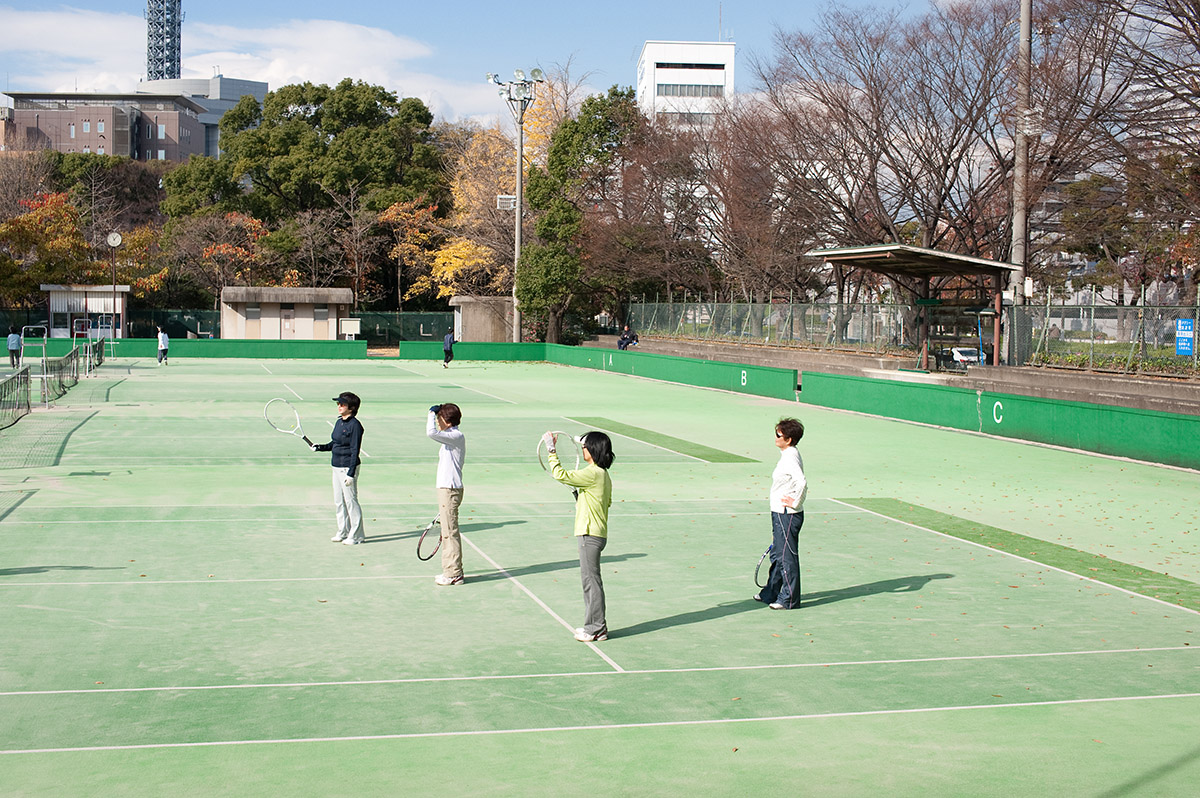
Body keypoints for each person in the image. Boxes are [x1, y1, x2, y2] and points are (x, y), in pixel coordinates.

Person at [542, 430, 615, 642]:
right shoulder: (603, 475)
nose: (582, 450)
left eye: (584, 447)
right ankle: (595, 625)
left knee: (590, 582)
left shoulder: (592, 473)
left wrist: (551, 450)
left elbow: (560, 474)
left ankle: (596, 628)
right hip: (597, 534)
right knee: (591, 581)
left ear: (593, 450)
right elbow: (604, 502)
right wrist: (582, 497)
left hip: (589, 534)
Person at [755, 417, 808, 609]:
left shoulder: (791, 457)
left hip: (787, 514)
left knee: (787, 556)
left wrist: (795, 501)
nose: (775, 438)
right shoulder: (786, 454)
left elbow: (802, 482)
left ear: (789, 439)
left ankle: (789, 599)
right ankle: (771, 592)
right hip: (778, 512)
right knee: (778, 554)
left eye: (779, 435)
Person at [312, 392, 365, 545]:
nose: (339, 406)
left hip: (347, 467)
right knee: (339, 501)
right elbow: (334, 444)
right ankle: (343, 531)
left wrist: (351, 473)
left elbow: (355, 450)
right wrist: (320, 447)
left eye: (342, 404)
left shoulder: (355, 425)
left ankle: (356, 535)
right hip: (335, 466)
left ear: (352, 407)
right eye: (338, 404)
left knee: (351, 501)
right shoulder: (339, 422)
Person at [426, 402, 466, 585]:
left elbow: (430, 432)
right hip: (445, 489)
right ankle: (449, 570)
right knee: (447, 532)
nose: (436, 421)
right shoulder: (450, 436)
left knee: (450, 532)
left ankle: (454, 573)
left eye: (438, 418)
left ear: (446, 421)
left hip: (450, 489)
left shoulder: (456, 435)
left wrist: (429, 413)